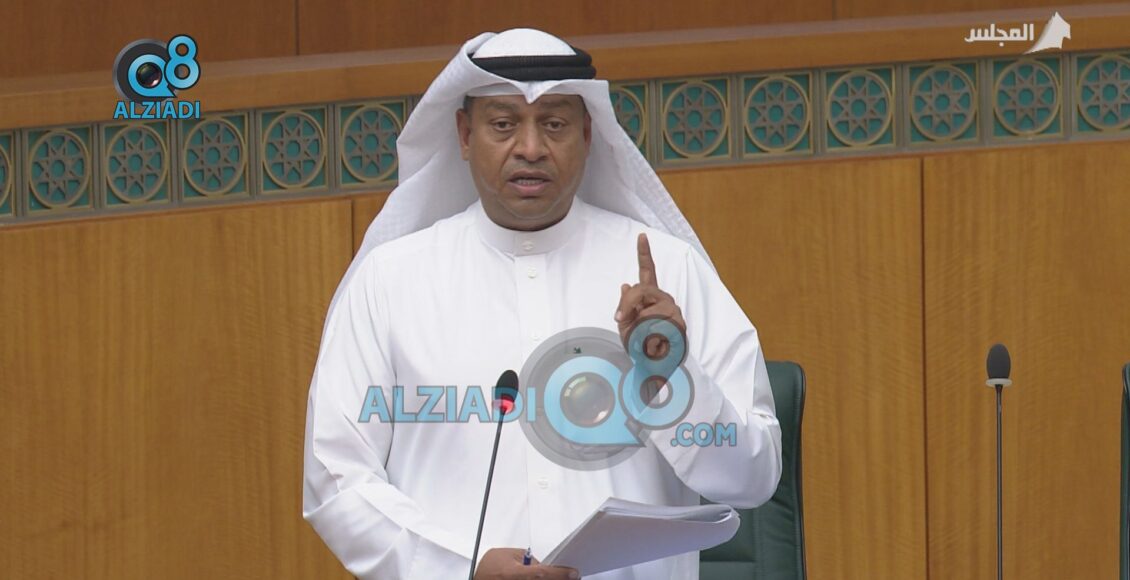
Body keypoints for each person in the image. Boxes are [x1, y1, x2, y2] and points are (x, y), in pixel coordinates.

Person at [302, 28, 782, 580]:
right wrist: (462, 567)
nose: (530, 148)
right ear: (464, 135)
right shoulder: (389, 283)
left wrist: (673, 378)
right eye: (504, 124)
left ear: (587, 133)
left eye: (553, 124)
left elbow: (754, 476)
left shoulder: (671, 272)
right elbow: (336, 477)